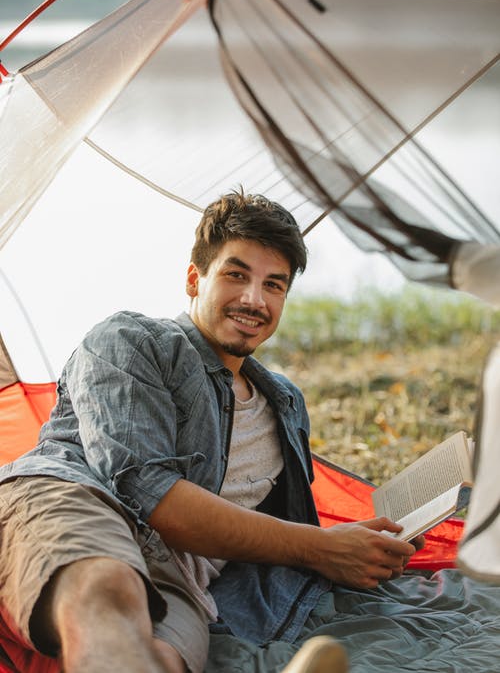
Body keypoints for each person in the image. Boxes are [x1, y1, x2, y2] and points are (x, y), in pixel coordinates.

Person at [0, 191, 421, 673]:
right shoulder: (130, 341)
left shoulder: (285, 403)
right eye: (236, 275)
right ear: (194, 279)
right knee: (107, 590)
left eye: (274, 285)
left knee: (164, 658)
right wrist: (321, 548)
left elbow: (288, 529)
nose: (253, 300)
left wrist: (365, 546)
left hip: (181, 577)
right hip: (81, 503)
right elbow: (150, 495)